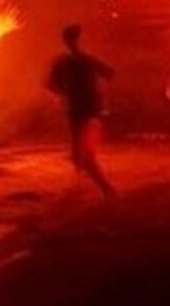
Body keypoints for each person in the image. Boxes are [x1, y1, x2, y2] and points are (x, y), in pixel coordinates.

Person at [47, 24, 118, 200]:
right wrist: (63, 95)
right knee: (78, 154)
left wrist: (63, 94)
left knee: (84, 154)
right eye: (72, 39)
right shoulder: (70, 62)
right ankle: (81, 186)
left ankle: (106, 189)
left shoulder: (79, 61)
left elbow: (109, 73)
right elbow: (51, 85)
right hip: (81, 112)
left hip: (88, 113)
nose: (73, 43)